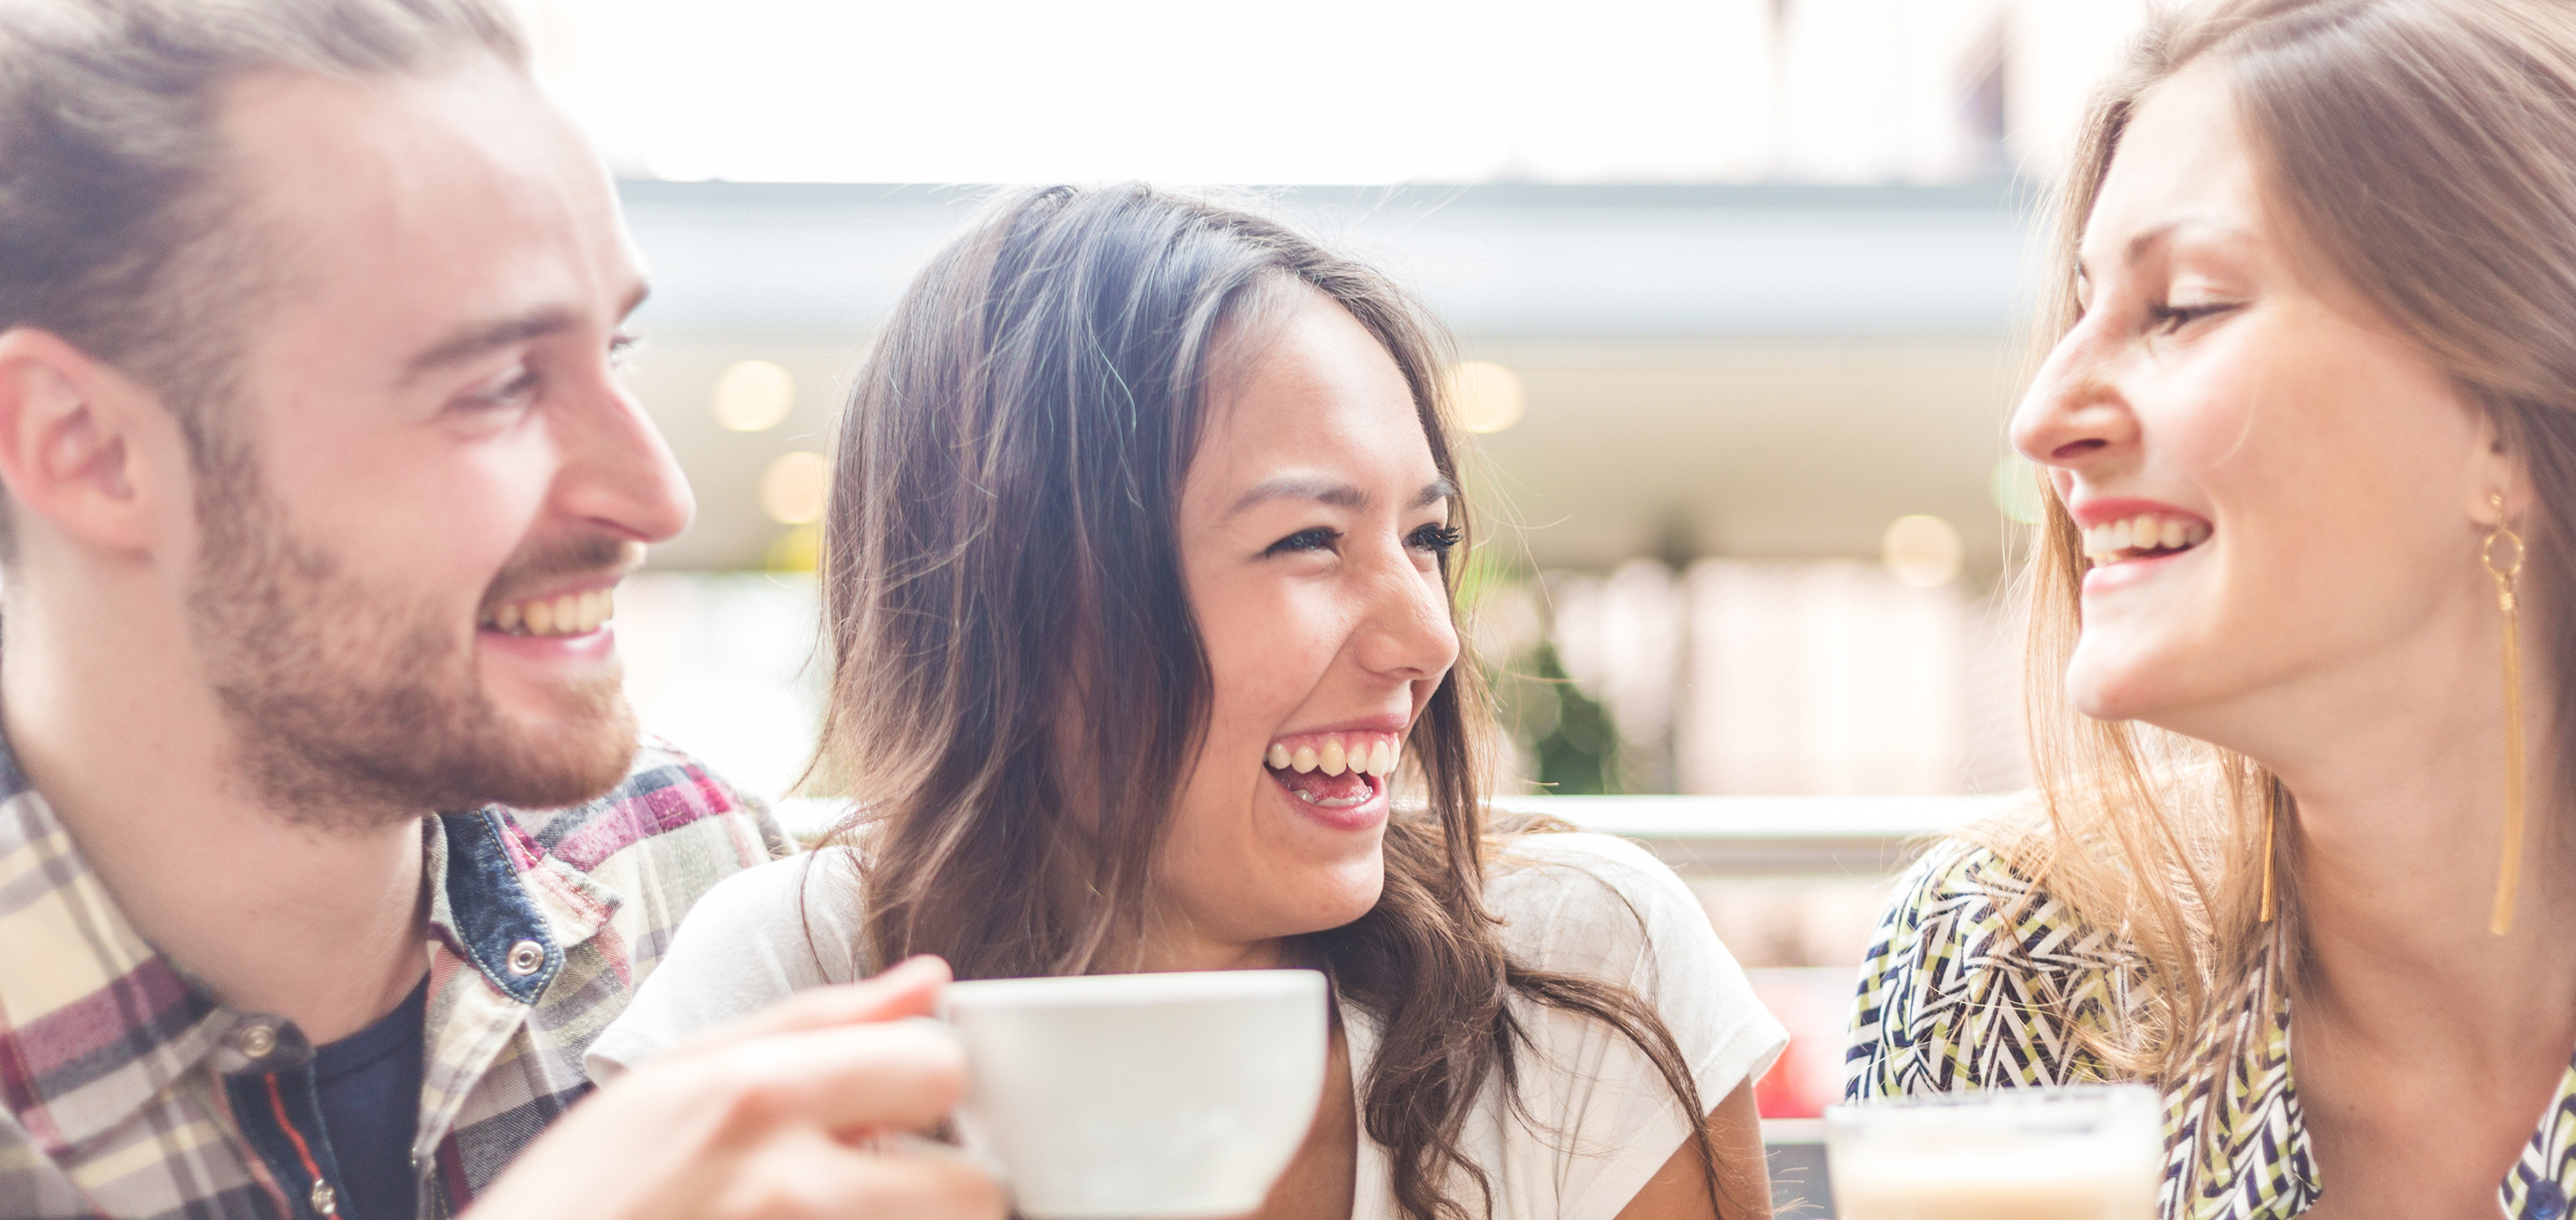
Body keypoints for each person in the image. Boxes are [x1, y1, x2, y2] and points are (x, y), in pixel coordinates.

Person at [588, 184, 1789, 1220]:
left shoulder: (1580, 978)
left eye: (1427, 536)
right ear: (1026, 599)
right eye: (1309, 540)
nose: (1426, 635)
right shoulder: (790, 993)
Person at [0, 2, 998, 1218]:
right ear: (90, 448)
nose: (657, 497)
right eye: (498, 384)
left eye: (617, 353)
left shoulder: (712, 883)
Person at [1841, 1, 2576, 1218]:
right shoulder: (2005, 971)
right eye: (2081, 310)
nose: (2043, 418)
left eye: (2181, 307)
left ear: (2514, 416)